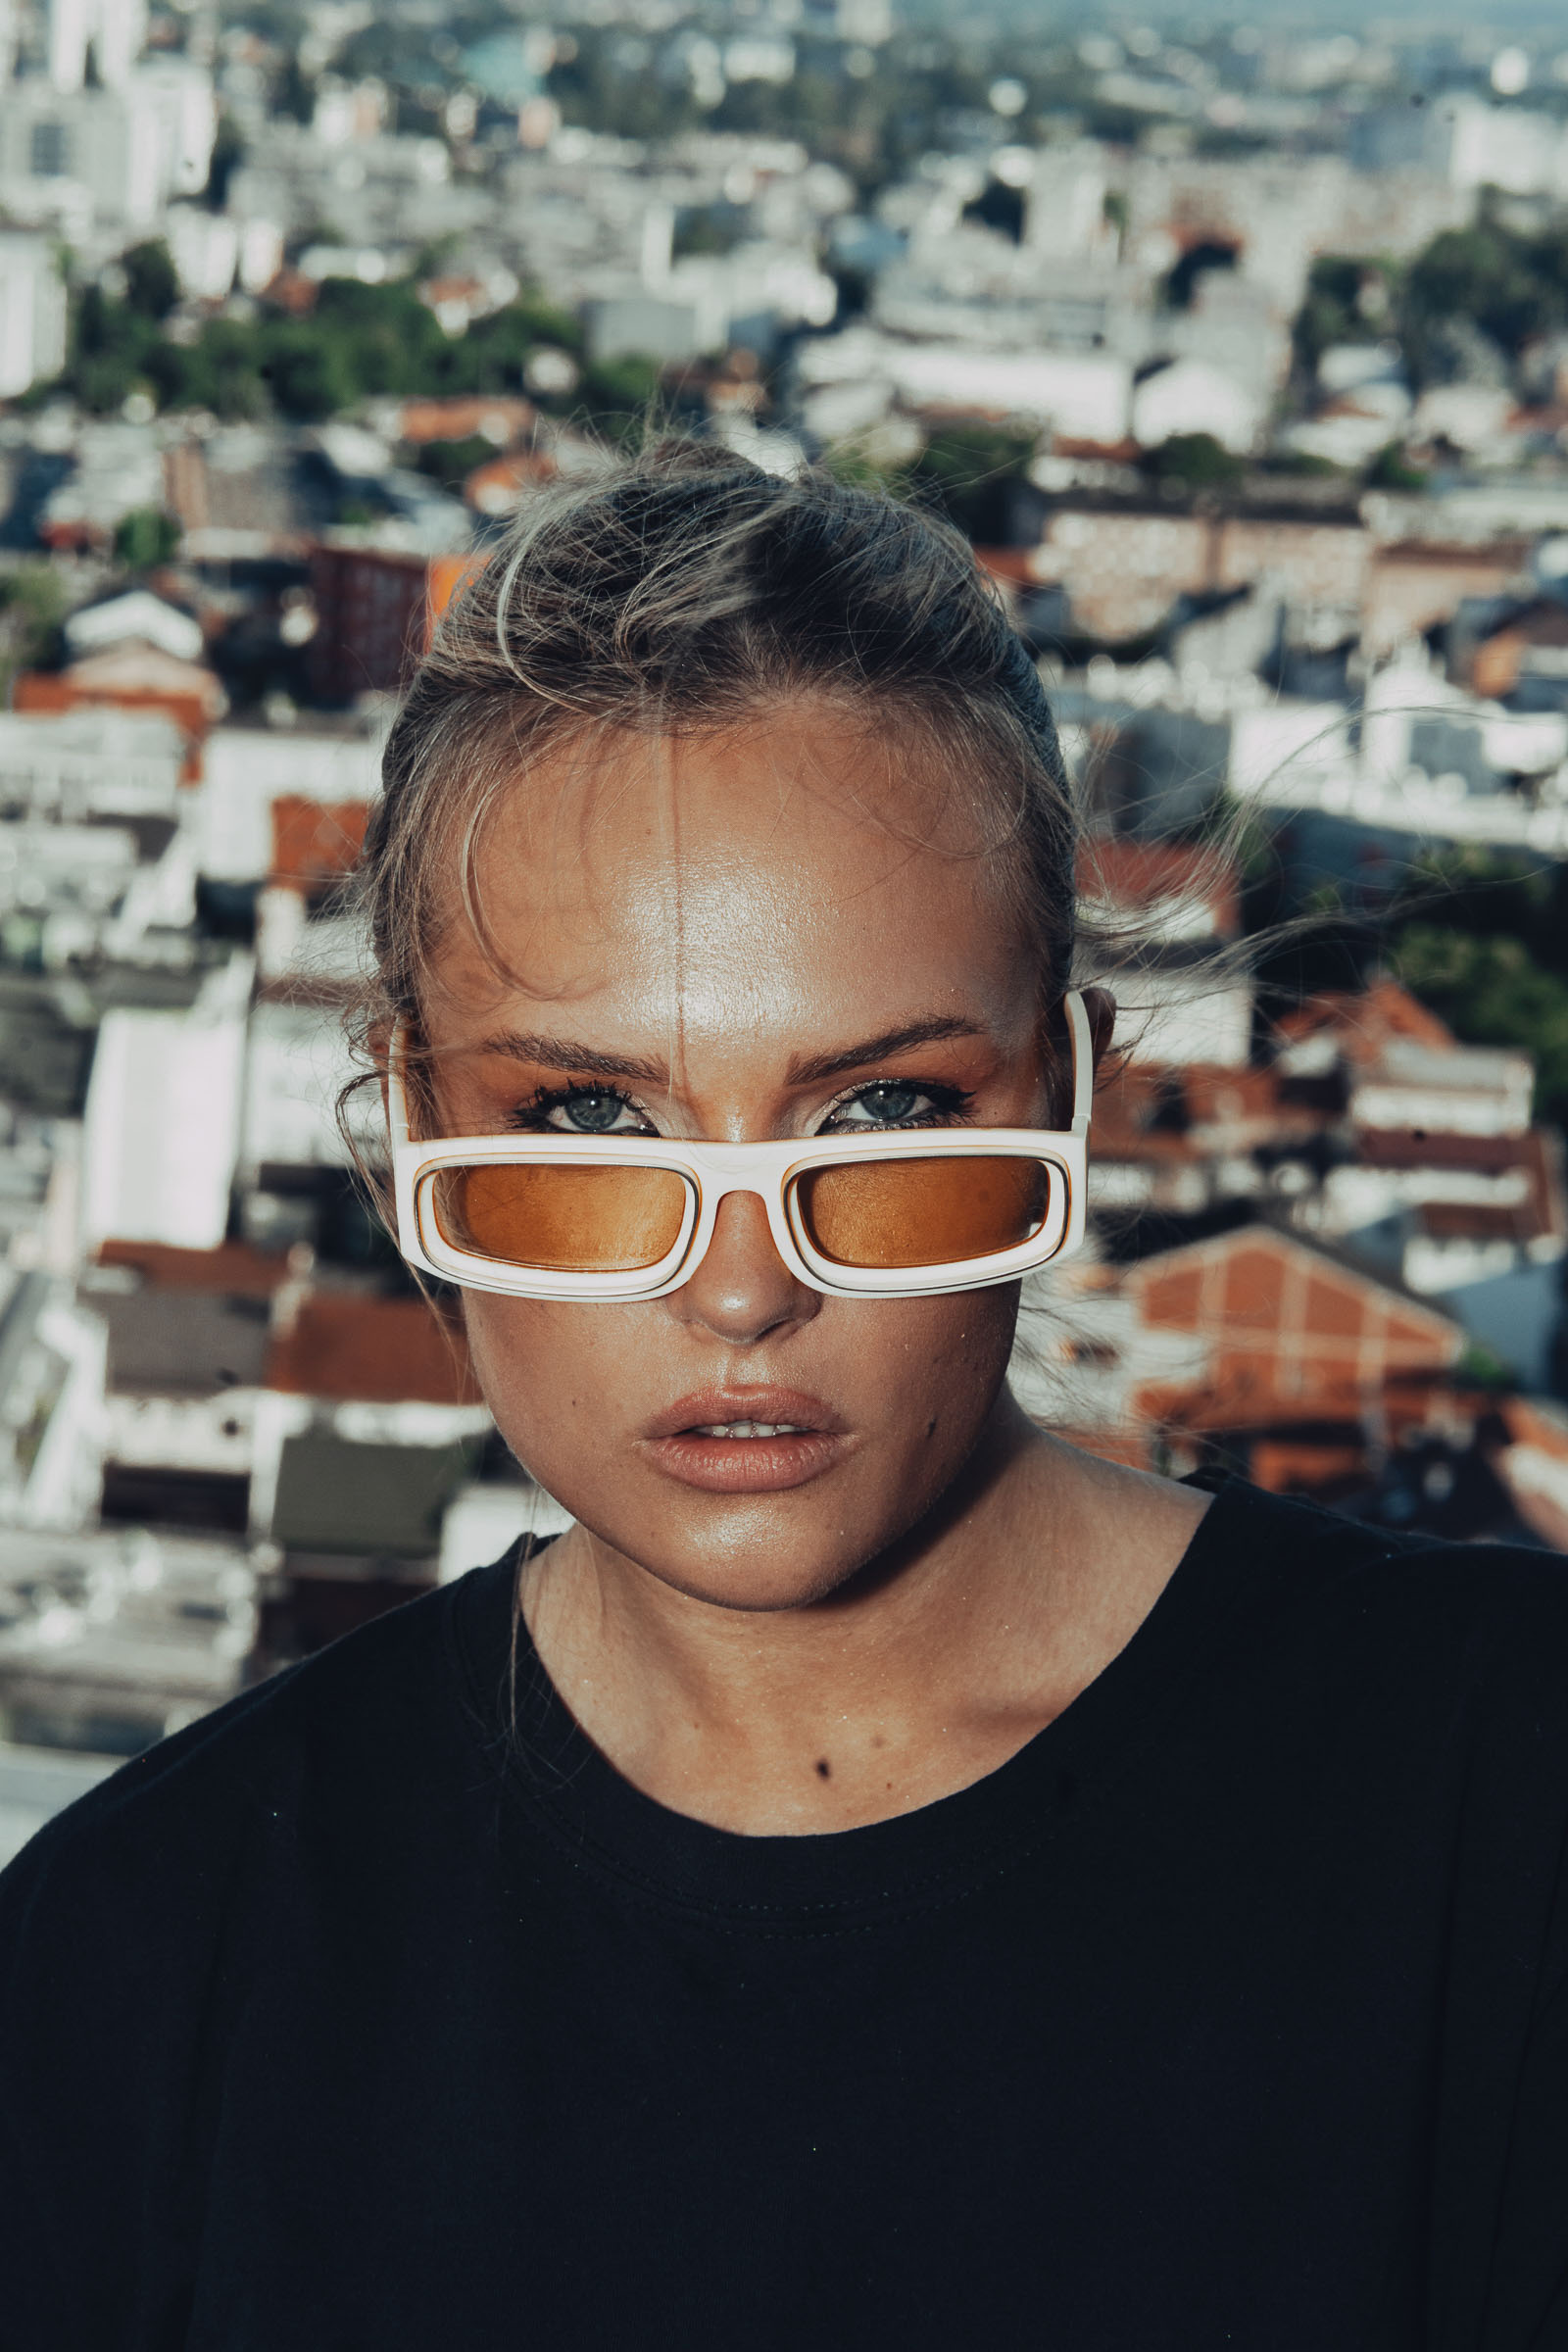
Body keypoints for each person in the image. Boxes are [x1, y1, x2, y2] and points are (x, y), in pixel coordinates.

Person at [2, 445, 1566, 2351]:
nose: (740, 1284)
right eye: (591, 1115)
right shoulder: (132, 1974)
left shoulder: (1503, 1802)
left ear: (1063, 1091)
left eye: (883, 1107)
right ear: (409, 1121)